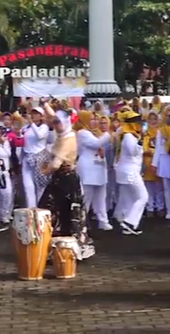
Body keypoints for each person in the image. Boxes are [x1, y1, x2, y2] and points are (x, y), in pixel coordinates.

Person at [39, 101, 95, 258]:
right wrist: (45, 105)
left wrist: (44, 170)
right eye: (54, 123)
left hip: (66, 180)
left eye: (58, 123)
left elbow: (56, 164)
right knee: (52, 211)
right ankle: (51, 247)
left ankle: (68, 249)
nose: (55, 125)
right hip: (59, 180)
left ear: (65, 122)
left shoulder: (68, 139)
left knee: (66, 213)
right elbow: (53, 117)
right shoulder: (62, 133)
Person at [113, 108, 148, 235]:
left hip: (127, 171)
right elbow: (133, 152)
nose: (140, 125)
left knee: (129, 198)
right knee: (143, 197)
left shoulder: (130, 135)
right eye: (137, 123)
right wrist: (141, 140)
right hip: (129, 172)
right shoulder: (128, 136)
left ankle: (124, 223)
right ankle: (130, 222)